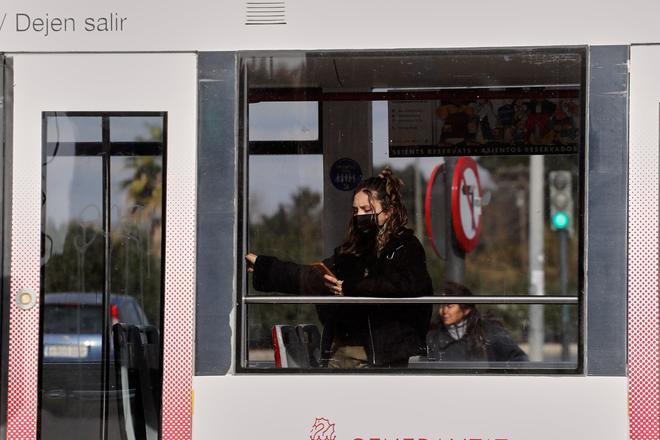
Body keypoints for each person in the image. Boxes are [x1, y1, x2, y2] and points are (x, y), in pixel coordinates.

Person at [245, 168, 433, 368]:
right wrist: (265, 267)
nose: (359, 216)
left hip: (383, 354)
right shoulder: (352, 251)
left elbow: (405, 284)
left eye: (366, 210)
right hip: (343, 349)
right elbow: (310, 277)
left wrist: (350, 288)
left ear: (387, 211)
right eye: (355, 210)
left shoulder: (406, 246)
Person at [426, 282, 528, 363]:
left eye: (449, 306)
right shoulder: (432, 336)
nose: (443, 311)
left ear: (466, 310)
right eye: (441, 305)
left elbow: (518, 360)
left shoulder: (489, 332)